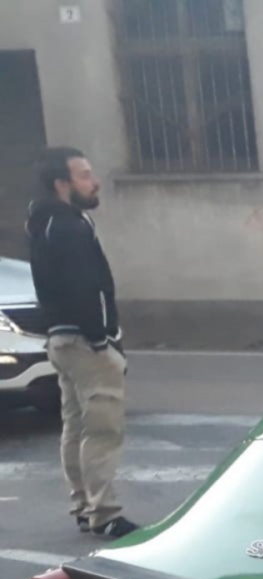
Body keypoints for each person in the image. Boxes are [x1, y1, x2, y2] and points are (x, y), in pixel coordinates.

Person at [26, 146, 137, 538]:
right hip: (86, 342)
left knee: (75, 424)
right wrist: (105, 339)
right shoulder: (71, 227)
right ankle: (104, 513)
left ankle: (83, 504)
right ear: (62, 184)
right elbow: (86, 289)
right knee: (103, 428)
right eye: (85, 175)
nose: (95, 181)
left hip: (61, 340)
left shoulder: (44, 223)